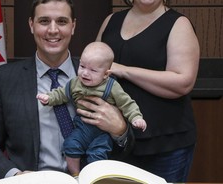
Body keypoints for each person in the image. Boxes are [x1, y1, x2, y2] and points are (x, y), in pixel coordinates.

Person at [0, 0, 135, 180]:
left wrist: (120, 131)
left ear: (73, 26)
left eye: (62, 21)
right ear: (31, 25)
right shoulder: (5, 79)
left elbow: (127, 146)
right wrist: (16, 176)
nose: (53, 30)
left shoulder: (102, 77)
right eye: (44, 21)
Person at [95, 0, 200, 182]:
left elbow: (183, 82)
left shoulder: (178, 24)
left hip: (165, 144)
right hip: (114, 140)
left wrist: (124, 70)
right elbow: (92, 69)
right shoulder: (111, 21)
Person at [37, 41, 146, 177]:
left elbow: (127, 104)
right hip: (82, 127)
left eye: (93, 70)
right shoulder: (75, 83)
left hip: (103, 132)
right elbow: (61, 94)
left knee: (98, 154)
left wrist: (136, 117)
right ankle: (76, 175)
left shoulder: (112, 86)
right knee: (70, 146)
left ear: (106, 74)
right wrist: (48, 98)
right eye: (82, 66)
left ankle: (91, 178)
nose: (85, 73)